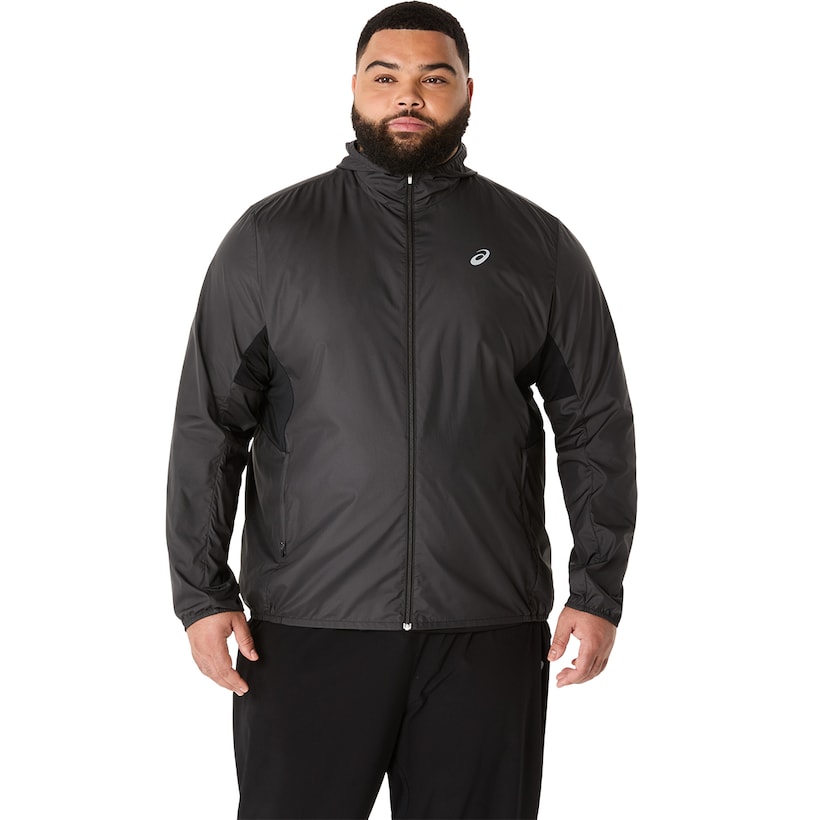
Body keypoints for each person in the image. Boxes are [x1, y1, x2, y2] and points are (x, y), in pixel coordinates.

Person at [166, 2, 637, 818]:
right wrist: (202, 595)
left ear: (468, 93)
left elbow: (594, 424)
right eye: (386, 77)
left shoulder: (537, 246)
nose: (408, 96)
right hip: (308, 626)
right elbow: (210, 426)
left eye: (433, 78)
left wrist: (596, 590)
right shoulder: (272, 239)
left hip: (484, 629)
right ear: (354, 87)